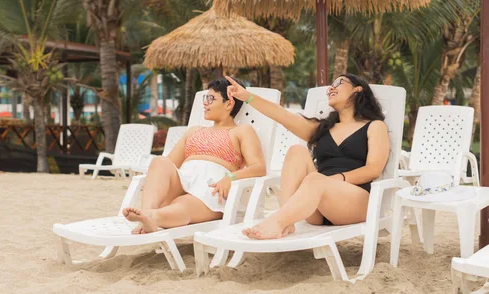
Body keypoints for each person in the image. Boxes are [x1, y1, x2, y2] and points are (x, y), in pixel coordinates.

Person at [225, 73, 390, 240]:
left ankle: (278, 221)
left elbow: (373, 170)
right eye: (330, 85)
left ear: (358, 89)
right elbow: (282, 115)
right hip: (316, 205)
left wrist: (334, 180)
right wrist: (247, 97)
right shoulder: (322, 129)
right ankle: (286, 221)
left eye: (339, 82)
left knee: (314, 179)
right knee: (296, 151)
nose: (331, 88)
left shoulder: (375, 126)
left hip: (355, 201)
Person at [123, 78, 266, 234]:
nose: (205, 103)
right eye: (206, 98)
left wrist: (231, 178)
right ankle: (147, 213)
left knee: (183, 204)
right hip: (184, 181)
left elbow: (259, 168)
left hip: (210, 190)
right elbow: (169, 166)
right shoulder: (194, 131)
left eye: (211, 98)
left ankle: (151, 217)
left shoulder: (241, 131)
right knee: (159, 162)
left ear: (229, 104)